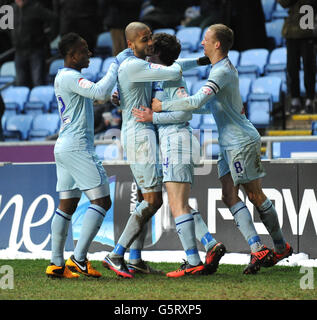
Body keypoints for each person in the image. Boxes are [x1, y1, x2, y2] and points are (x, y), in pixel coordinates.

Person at [152, 24, 293, 274]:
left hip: (240, 141)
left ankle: (280, 247)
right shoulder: (217, 69)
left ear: (217, 44)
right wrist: (179, 104)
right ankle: (257, 247)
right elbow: (207, 107)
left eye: (206, 39)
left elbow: (196, 101)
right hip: (228, 143)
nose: (202, 43)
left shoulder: (221, 72)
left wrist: (163, 106)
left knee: (254, 195)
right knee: (229, 196)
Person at [132, 32, 226, 277]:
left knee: (177, 205)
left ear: (158, 54)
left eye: (151, 49)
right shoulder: (165, 72)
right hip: (173, 144)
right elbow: (181, 64)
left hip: (177, 141)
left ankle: (194, 261)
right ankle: (209, 244)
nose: (147, 52)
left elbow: (185, 114)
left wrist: (155, 116)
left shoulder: (172, 79)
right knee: (180, 204)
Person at [102, 22, 184, 279]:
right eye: (143, 40)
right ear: (130, 45)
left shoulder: (137, 63)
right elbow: (171, 72)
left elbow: (163, 70)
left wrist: (202, 61)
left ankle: (135, 259)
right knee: (153, 200)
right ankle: (116, 254)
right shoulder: (135, 65)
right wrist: (181, 62)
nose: (150, 43)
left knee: (146, 199)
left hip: (143, 135)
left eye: (150, 38)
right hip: (139, 138)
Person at [45, 32, 129, 278]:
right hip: (78, 147)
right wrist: (116, 64)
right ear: (72, 55)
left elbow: (87, 100)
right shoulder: (72, 76)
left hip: (64, 146)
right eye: (84, 50)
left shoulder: (63, 77)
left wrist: (107, 99)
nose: (89, 53)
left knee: (66, 206)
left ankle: (56, 263)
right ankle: (79, 259)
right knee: (102, 201)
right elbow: (99, 92)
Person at [277, 0, 316, 114]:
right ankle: (295, 100)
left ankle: (310, 99)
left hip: (307, 31)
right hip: (292, 33)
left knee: (309, 67)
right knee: (292, 67)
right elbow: (283, 3)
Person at [11, 0, 58, 88]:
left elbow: (54, 18)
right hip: (19, 52)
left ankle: (40, 99)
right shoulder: (12, 9)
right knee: (20, 83)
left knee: (38, 81)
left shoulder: (35, 7)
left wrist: (50, 37)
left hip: (35, 50)